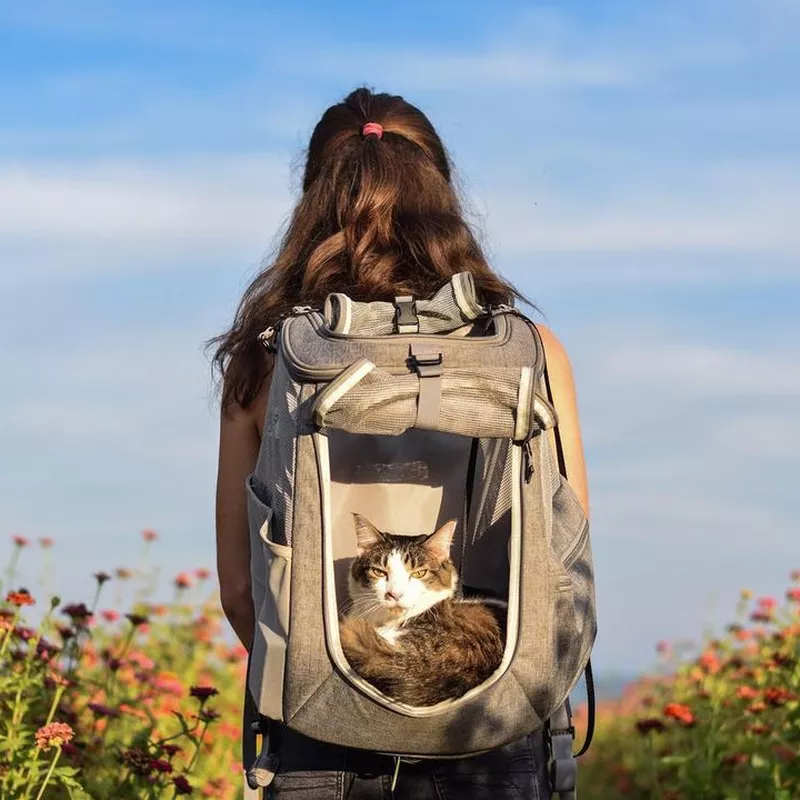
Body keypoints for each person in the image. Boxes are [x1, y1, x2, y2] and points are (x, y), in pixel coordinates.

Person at [212, 87, 590, 800]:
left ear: (310, 203)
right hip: (493, 725)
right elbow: (565, 556)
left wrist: (336, 690)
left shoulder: (266, 359)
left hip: (319, 731)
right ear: (443, 194)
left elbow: (240, 590)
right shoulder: (533, 352)